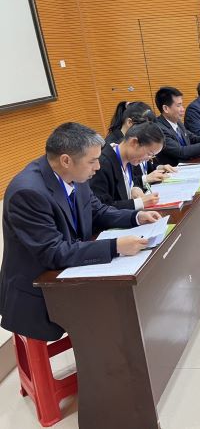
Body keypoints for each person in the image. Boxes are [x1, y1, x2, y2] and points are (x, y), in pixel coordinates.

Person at [0, 123, 161, 341]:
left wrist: (135, 217)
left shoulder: (76, 175)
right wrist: (114, 246)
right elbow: (53, 252)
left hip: (72, 275)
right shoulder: (28, 192)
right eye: (92, 161)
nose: (98, 167)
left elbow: (97, 210)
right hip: (39, 294)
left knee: (124, 307)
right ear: (66, 160)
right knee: (111, 319)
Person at [90, 121, 165, 210]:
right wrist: (139, 203)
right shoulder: (102, 164)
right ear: (134, 142)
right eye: (149, 154)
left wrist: (135, 188)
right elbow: (101, 208)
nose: (148, 159)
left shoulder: (130, 159)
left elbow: (133, 181)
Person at [154, 86, 200, 167]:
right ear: (166, 108)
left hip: (190, 164)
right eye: (178, 105)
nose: (183, 109)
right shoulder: (158, 129)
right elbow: (181, 152)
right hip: (175, 170)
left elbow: (192, 138)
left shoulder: (177, 122)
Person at [104, 101, 173, 185]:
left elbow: (144, 167)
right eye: (143, 126)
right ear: (130, 123)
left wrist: (159, 168)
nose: (146, 130)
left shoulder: (134, 145)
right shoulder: (118, 147)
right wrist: (144, 179)